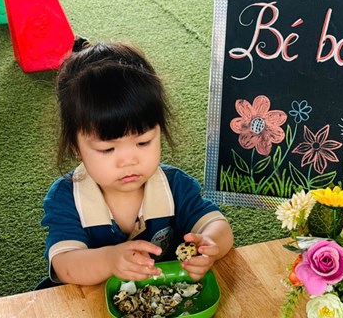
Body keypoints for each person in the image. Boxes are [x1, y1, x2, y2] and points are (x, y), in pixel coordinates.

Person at [40, 38, 233, 286]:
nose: (129, 160)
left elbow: (217, 225)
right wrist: (109, 261)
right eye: (108, 149)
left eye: (143, 142)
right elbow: (65, 264)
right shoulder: (68, 197)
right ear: (76, 148)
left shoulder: (174, 186)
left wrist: (210, 245)